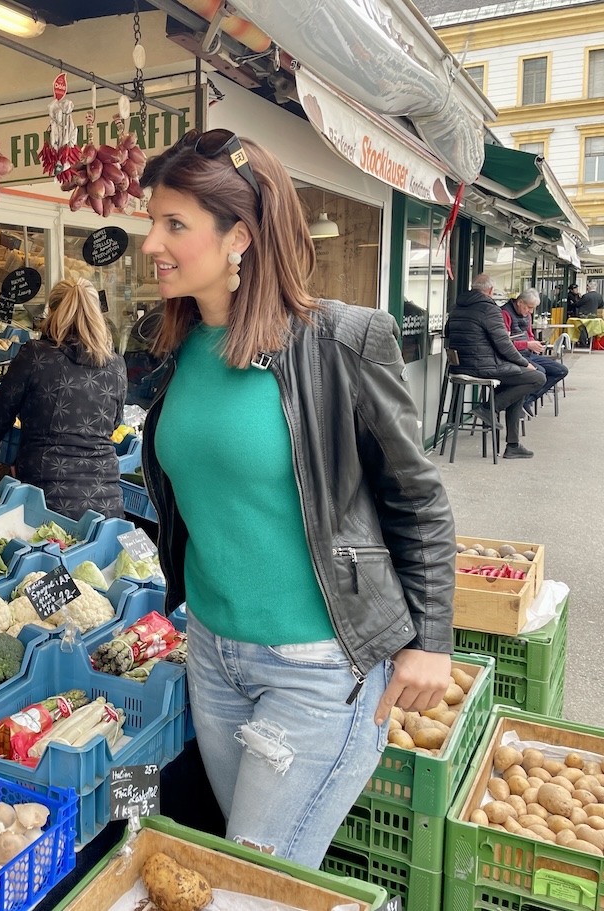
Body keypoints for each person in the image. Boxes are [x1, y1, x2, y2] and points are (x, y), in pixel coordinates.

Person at [136, 129, 455, 868]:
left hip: (318, 669)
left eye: (174, 224)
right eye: (153, 220)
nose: (151, 240)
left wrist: (429, 639)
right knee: (254, 865)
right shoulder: (176, 346)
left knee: (252, 874)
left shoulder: (343, 343)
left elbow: (418, 499)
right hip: (212, 653)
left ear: (239, 236)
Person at [0, 277, 127, 520]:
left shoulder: (34, 355)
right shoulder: (116, 364)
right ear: (97, 313)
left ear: (50, 312)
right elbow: (113, 424)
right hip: (107, 506)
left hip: (46, 503)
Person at [445, 273, 546, 458]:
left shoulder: (457, 307)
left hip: (459, 366)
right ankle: (488, 408)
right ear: (490, 290)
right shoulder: (489, 309)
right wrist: (525, 363)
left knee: (517, 384)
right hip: (482, 366)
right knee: (538, 376)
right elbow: (503, 344)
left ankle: (513, 445)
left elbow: (447, 332)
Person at [502, 288, 569, 415]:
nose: (530, 311)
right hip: (514, 356)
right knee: (540, 373)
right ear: (520, 302)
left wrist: (535, 345)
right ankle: (517, 402)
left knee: (561, 370)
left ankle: (526, 400)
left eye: (533, 308)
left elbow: (529, 334)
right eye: (529, 307)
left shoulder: (528, 315)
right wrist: (528, 344)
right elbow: (504, 343)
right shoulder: (505, 313)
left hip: (528, 353)